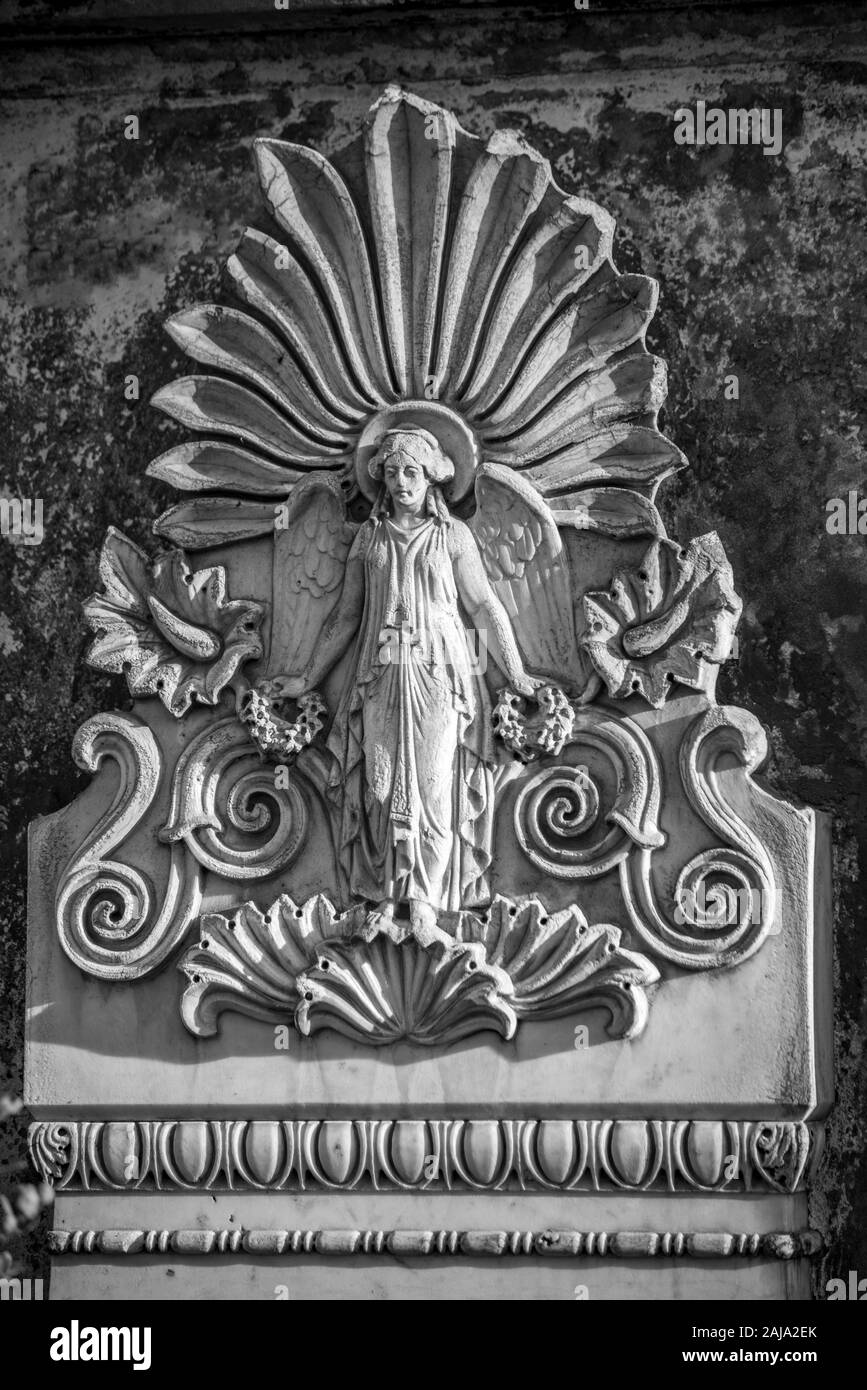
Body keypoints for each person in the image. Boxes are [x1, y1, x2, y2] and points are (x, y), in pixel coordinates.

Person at [271, 426, 539, 936]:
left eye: (410, 472)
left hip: (441, 674)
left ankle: (424, 902)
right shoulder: (368, 539)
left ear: (431, 477)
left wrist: (516, 672)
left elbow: (483, 605)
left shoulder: (452, 536)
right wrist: (306, 678)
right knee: (380, 782)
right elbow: (345, 618)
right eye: (391, 473)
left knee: (434, 787)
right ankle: (383, 895)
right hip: (378, 675)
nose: (400, 483)